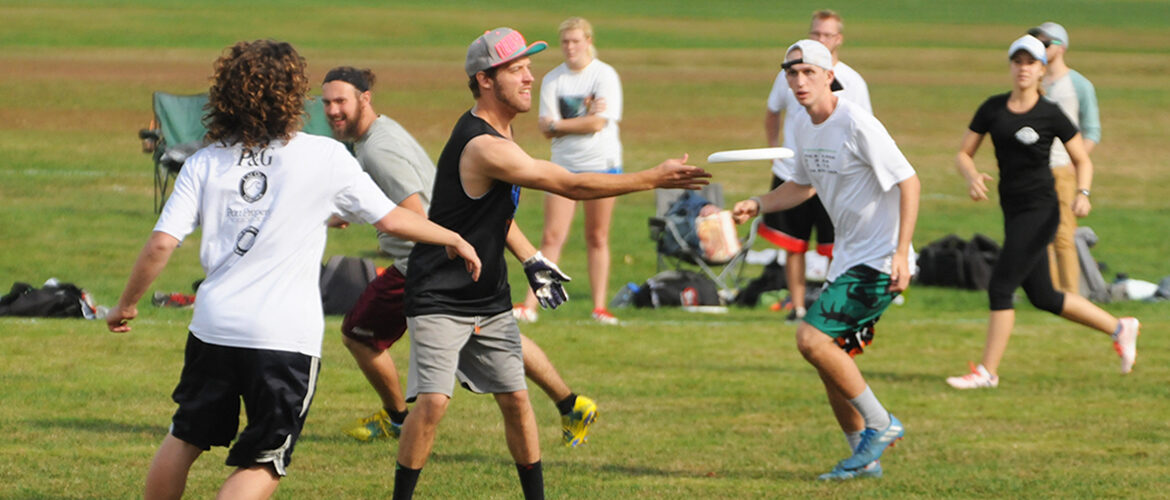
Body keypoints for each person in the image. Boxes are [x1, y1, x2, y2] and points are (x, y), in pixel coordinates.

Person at [104, 40, 480, 500]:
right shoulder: (325, 156)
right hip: (283, 338)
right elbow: (391, 218)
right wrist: (453, 237)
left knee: (185, 438)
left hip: (213, 328)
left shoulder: (204, 161)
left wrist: (126, 305)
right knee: (264, 460)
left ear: (226, 96)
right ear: (293, 95)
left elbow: (162, 242)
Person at [392, 27, 709, 500]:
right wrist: (652, 178)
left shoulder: (502, 131)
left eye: (528, 67)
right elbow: (570, 185)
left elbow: (490, 215)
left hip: (487, 292)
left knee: (517, 399)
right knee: (434, 403)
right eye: (516, 70)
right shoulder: (482, 145)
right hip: (438, 292)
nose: (529, 78)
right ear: (484, 80)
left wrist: (530, 257)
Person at [319, 66, 600, 448]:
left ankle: (398, 419)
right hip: (445, 257)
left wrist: (388, 225)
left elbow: (416, 212)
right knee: (494, 336)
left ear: (364, 99)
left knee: (359, 335)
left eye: (340, 101)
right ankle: (571, 404)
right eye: (326, 103)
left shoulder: (378, 150)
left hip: (422, 265)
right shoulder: (382, 133)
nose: (332, 110)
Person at [733, 39, 918, 481]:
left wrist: (901, 253)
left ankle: (881, 424)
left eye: (808, 73)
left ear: (829, 76)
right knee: (830, 360)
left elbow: (909, 181)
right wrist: (758, 204)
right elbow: (802, 185)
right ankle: (863, 459)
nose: (799, 81)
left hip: (878, 260)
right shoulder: (802, 124)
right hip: (848, 260)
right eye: (792, 73)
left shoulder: (856, 122)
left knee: (811, 340)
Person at [945, 35, 1140, 390]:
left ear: (1041, 70)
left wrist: (1083, 193)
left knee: (1001, 286)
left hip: (1042, 211)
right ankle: (1120, 327)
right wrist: (971, 175)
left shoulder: (1050, 113)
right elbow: (963, 153)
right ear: (1010, 66)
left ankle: (987, 372)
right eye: (1017, 61)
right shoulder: (993, 108)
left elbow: (1082, 159)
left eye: (1031, 62)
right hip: (1013, 210)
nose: (1023, 68)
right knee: (1044, 297)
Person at [761, 9, 872, 321]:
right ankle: (797, 308)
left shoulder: (853, 84)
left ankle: (831, 306)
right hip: (793, 173)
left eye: (827, 34)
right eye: (816, 33)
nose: (800, 82)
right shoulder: (791, 86)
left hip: (835, 178)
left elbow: (903, 176)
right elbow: (772, 111)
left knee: (834, 246)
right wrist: (774, 151)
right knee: (793, 244)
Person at [514, 17, 624, 325]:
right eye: (565, 42)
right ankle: (530, 305)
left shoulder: (604, 75)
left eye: (576, 41)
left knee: (597, 236)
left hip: (601, 164)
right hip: (563, 166)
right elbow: (545, 128)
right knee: (552, 235)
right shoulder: (553, 79)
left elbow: (598, 123)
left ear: (588, 41)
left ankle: (599, 306)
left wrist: (561, 124)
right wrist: (579, 119)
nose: (570, 47)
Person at [1027, 22, 1102, 295]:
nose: (1040, 49)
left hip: (1061, 167)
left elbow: (1092, 131)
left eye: (1046, 44)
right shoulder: (1033, 82)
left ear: (1061, 47)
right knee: (1038, 234)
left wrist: (1075, 162)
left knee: (1063, 234)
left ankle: (1071, 295)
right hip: (1033, 169)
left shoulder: (1079, 85)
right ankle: (1047, 291)